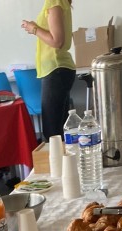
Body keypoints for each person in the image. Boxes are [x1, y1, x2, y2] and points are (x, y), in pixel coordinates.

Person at [21, 1, 76, 141]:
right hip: (58, 70)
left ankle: (58, 162)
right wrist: (36, 28)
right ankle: (64, 162)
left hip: (55, 69)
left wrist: (34, 29)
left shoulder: (54, 2)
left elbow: (57, 41)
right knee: (59, 130)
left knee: (52, 133)